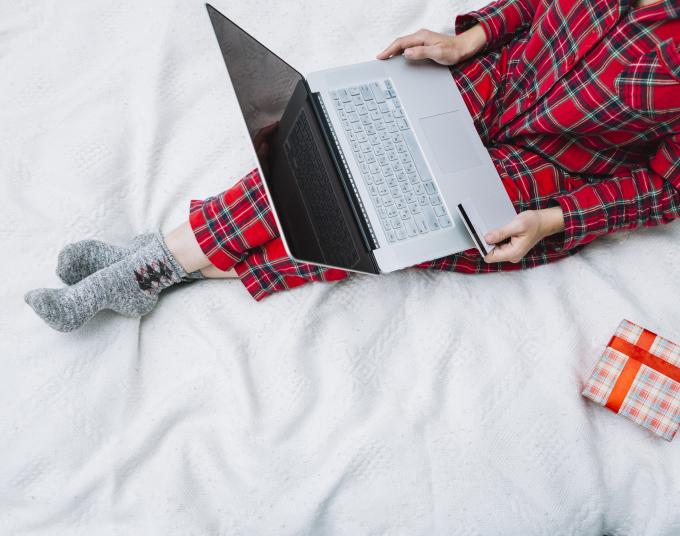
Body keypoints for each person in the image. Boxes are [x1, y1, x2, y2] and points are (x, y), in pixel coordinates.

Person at [25, 0, 679, 332]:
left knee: (375, 224)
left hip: (552, 170)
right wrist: (469, 38)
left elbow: (664, 188)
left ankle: (146, 266)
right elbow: (535, 6)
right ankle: (150, 267)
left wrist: (554, 219)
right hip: (486, 79)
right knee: (325, 148)